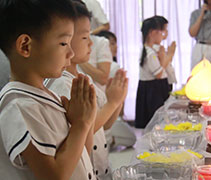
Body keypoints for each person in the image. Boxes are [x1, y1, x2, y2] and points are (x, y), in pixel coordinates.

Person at [0, 0, 97, 179]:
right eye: (63, 43)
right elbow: (54, 177)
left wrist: (85, 120)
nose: (71, 53)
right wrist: (80, 125)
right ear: (25, 46)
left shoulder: (44, 95)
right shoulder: (18, 106)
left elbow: (82, 155)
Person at [45, 1, 128, 180]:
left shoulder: (84, 78)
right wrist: (112, 102)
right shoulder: (61, 85)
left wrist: (118, 99)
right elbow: (84, 128)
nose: (91, 43)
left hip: (100, 165)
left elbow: (104, 125)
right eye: (84, 37)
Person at [96, 30, 136, 149]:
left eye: (115, 43)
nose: (116, 47)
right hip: (108, 114)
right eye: (111, 43)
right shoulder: (113, 67)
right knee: (131, 138)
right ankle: (108, 140)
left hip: (106, 114)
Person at [135, 17, 175, 129]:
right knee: (154, 122)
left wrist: (165, 57)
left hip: (157, 88)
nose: (165, 35)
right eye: (163, 31)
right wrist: (169, 55)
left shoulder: (154, 50)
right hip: (152, 90)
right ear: (153, 33)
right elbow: (158, 73)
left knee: (159, 121)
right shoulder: (149, 53)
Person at [152, 16, 177, 92]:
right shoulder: (154, 49)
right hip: (160, 82)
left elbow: (167, 62)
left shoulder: (160, 47)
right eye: (165, 29)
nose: (166, 32)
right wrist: (170, 53)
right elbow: (162, 65)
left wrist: (170, 54)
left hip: (167, 80)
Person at [189, 0, 211, 69]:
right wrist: (201, 15)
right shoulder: (195, 13)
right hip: (199, 46)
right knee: (196, 73)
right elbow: (192, 33)